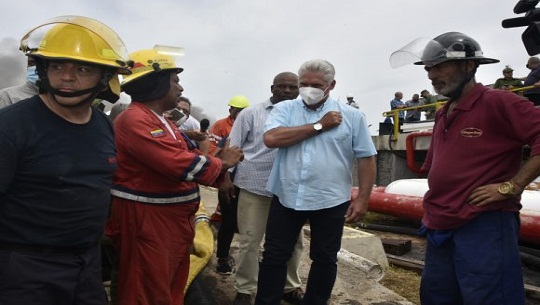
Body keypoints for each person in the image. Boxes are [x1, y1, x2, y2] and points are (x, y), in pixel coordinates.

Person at [394, 31, 540, 304]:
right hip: (440, 222)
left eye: (440, 67)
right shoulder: (443, 111)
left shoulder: (499, 102)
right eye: (428, 68)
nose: (432, 75)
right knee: (438, 296)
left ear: (469, 65)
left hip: (483, 222)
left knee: (488, 296)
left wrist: (512, 186)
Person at [0, 16, 131, 304]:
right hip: (24, 271)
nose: (66, 77)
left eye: (82, 68)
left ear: (105, 77)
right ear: (44, 70)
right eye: (57, 66)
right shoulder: (12, 126)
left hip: (86, 265)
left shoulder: (103, 125)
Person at [105, 48, 243, 305]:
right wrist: (222, 163)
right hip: (148, 221)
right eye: (175, 80)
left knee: (170, 286)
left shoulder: (160, 120)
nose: (180, 88)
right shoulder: (134, 120)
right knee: (145, 290)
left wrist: (219, 171)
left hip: (170, 220)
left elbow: (186, 153)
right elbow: (180, 164)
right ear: (156, 83)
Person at [254, 59, 377, 305]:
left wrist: (363, 198)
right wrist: (320, 125)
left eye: (316, 84)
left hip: (330, 199)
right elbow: (272, 138)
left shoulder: (352, 116)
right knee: (275, 255)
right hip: (287, 195)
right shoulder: (285, 109)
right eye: (304, 83)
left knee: (324, 258)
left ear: (331, 85)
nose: (309, 89)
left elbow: (366, 158)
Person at [229, 72, 305, 305]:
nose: (287, 91)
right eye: (282, 86)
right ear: (272, 88)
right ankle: (245, 289)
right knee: (250, 240)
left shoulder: (305, 115)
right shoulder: (251, 113)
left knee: (294, 241)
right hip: (255, 186)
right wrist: (225, 179)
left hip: (290, 190)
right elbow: (234, 148)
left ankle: (289, 286)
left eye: (293, 87)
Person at [208, 95, 249, 275]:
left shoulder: (252, 124)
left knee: (248, 225)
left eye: (241, 111)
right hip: (228, 178)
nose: (238, 113)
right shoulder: (220, 126)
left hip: (248, 182)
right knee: (228, 222)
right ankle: (223, 258)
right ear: (230, 109)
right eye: (235, 110)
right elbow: (212, 150)